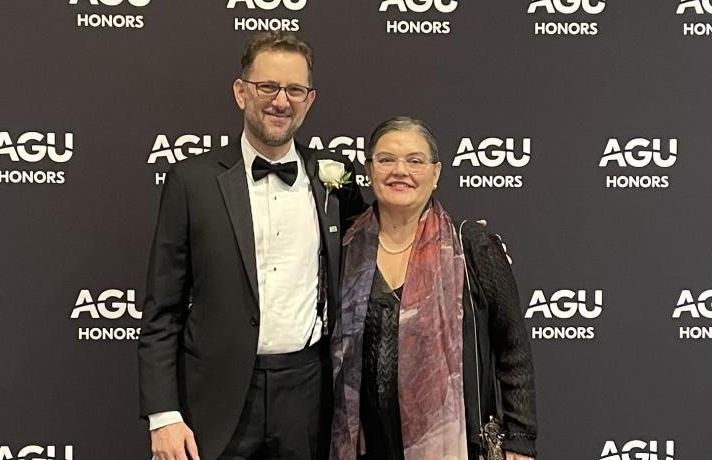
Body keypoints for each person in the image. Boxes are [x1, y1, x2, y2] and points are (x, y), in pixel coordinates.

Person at [138, 31, 366, 460]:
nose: (281, 101)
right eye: (268, 87)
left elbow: (385, 241)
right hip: (215, 399)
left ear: (310, 100)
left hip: (308, 396)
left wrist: (466, 242)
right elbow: (162, 311)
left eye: (294, 90)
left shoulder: (336, 179)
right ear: (241, 92)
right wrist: (163, 415)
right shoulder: (192, 182)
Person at [329, 117, 537, 460]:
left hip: (451, 445)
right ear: (369, 170)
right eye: (386, 159)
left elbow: (513, 350)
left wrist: (520, 439)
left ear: (436, 173)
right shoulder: (345, 248)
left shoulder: (471, 247)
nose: (400, 170)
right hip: (365, 447)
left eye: (415, 160)